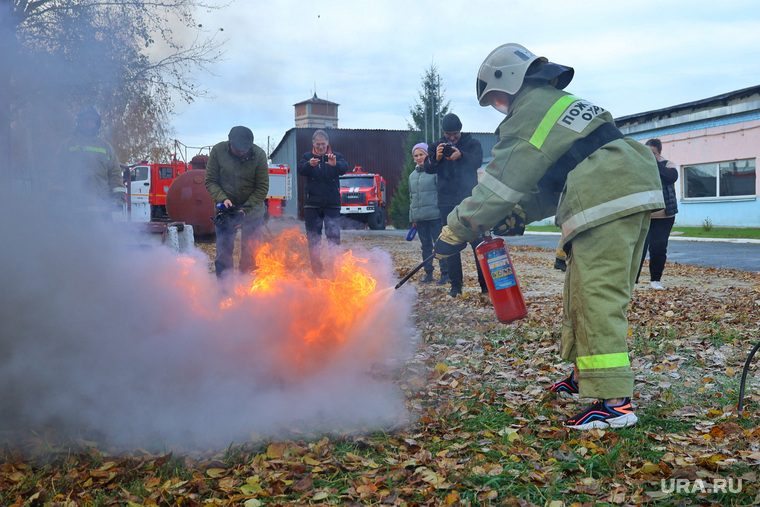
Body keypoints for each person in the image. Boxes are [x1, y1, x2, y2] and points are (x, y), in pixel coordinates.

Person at [434, 43, 664, 429]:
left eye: (496, 99)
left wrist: (454, 230)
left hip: (607, 192)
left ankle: (615, 405)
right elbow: (557, 175)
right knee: (581, 288)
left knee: (597, 295)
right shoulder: (555, 102)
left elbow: (499, 186)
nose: (499, 107)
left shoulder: (529, 112)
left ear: (509, 81)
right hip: (623, 184)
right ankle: (585, 375)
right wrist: (519, 215)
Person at [424, 113, 487, 297]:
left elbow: (477, 161)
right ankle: (455, 286)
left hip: (470, 200)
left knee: (478, 243)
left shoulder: (471, 143)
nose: (452, 138)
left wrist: (461, 156)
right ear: (444, 133)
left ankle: (485, 286)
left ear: (460, 130)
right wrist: (435, 157)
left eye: (455, 134)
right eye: (449, 134)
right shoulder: (437, 146)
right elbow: (428, 168)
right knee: (451, 244)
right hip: (446, 202)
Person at [205, 126, 269, 280]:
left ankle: (246, 288)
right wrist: (223, 199)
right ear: (229, 143)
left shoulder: (259, 154)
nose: (241, 153)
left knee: (250, 253)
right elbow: (210, 181)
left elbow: (262, 187)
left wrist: (245, 210)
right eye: (237, 150)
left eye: (245, 150)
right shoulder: (218, 151)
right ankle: (224, 291)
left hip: (252, 212)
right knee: (223, 253)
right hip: (226, 212)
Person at [297, 129, 349, 276]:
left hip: (332, 205)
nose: (321, 147)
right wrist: (309, 165)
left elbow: (344, 168)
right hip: (312, 205)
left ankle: (334, 269)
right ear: (313, 143)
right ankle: (317, 271)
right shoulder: (307, 157)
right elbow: (301, 170)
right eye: (318, 144)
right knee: (313, 240)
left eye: (323, 144)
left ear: (328, 143)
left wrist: (334, 164)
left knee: (333, 238)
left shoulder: (336, 156)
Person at [58, 105, 125, 214]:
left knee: (102, 231)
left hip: (101, 207)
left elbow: (115, 173)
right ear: (79, 123)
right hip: (72, 207)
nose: (89, 124)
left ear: (97, 124)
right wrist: (57, 196)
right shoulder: (68, 145)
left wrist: (118, 197)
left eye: (92, 121)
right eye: (86, 120)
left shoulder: (105, 147)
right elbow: (58, 172)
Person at [637, 138, 679, 290]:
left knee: (658, 248)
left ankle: (655, 280)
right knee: (639, 248)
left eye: (652, 153)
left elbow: (671, 177)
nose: (648, 155)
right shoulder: (640, 167)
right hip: (645, 215)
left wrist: (655, 163)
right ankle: (633, 279)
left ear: (659, 153)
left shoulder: (667, 165)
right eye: (646, 152)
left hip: (664, 216)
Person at [408, 142, 449, 284]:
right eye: (416, 155)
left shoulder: (434, 173)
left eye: (421, 154)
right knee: (425, 246)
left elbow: (441, 193)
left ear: (427, 155)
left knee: (439, 245)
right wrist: (413, 217)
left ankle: (445, 274)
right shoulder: (412, 176)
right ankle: (428, 273)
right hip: (420, 218)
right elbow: (412, 197)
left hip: (435, 216)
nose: (419, 158)